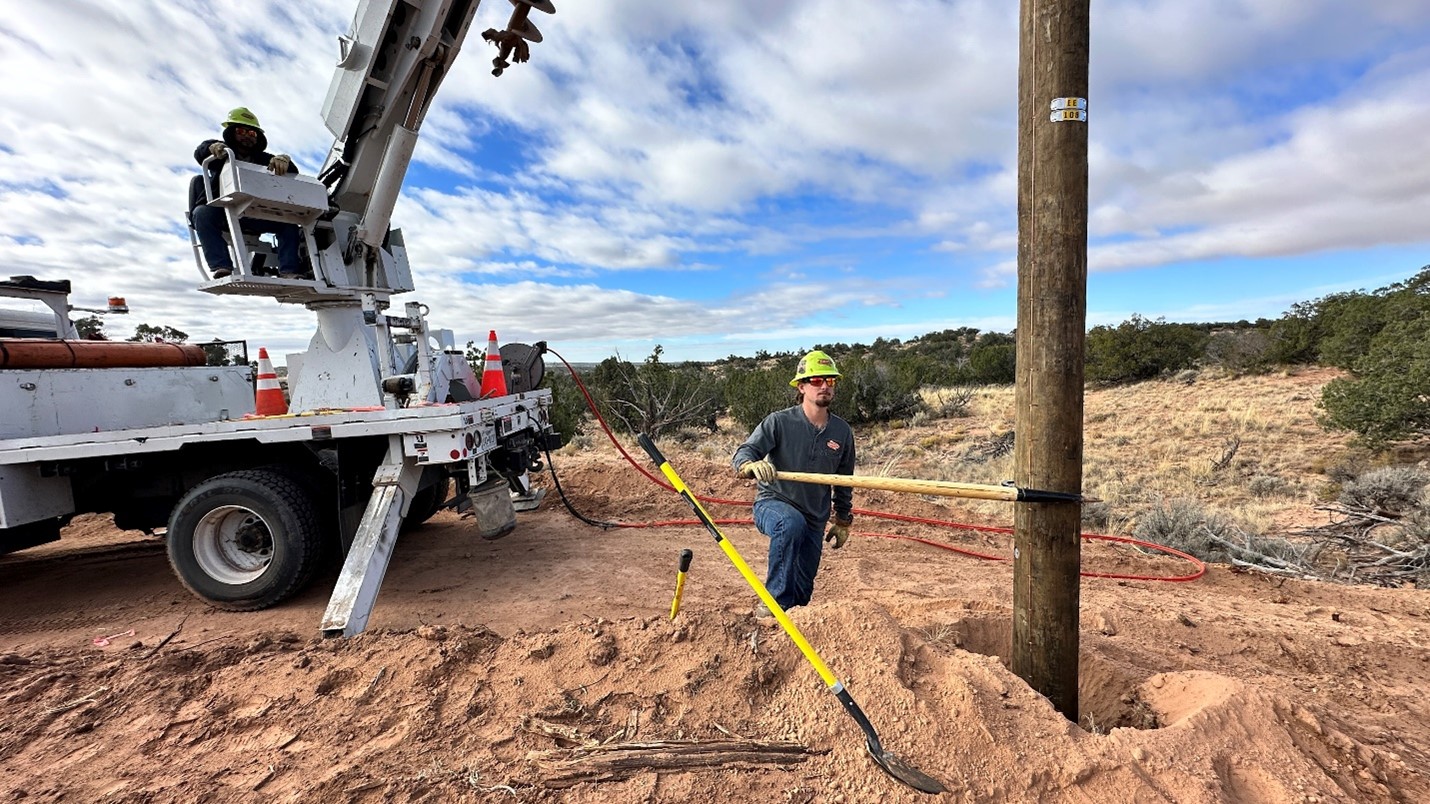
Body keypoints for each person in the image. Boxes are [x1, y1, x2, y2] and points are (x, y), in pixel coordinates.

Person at [732, 350, 856, 619]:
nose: (824, 386)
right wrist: (750, 465)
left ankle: (792, 623)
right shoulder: (779, 422)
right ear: (801, 386)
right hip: (774, 504)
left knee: (802, 592)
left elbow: (844, 481)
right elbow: (744, 452)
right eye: (816, 380)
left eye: (830, 381)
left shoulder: (842, 432)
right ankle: (772, 604)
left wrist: (843, 519)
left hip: (815, 517)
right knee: (790, 524)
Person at [189, 107, 305, 279]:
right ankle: (221, 265)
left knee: (288, 225)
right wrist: (212, 148)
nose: (247, 136)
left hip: (255, 212)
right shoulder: (221, 155)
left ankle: (289, 271)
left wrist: (285, 160)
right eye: (241, 131)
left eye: (252, 133)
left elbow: (292, 172)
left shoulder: (265, 160)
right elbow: (201, 152)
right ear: (231, 132)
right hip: (224, 212)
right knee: (202, 213)